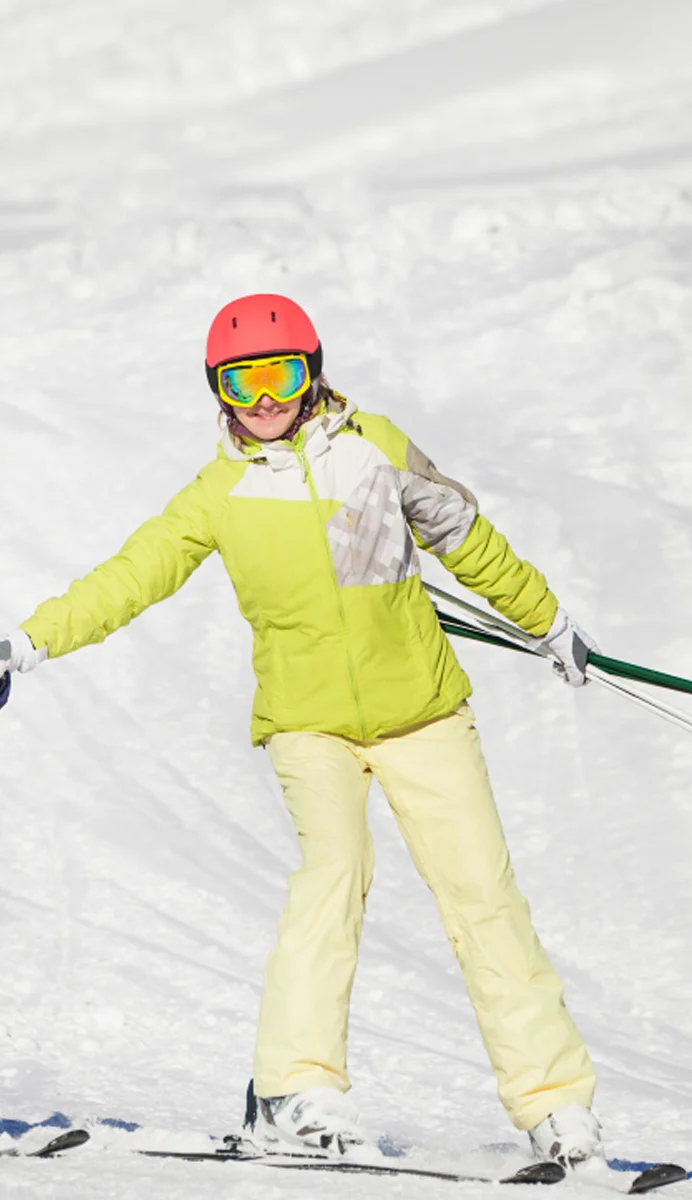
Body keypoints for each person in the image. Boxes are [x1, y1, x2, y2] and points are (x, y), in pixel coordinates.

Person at [0, 294, 603, 1166]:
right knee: (334, 873)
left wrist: (547, 621)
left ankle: (556, 1108)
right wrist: (24, 644)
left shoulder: (378, 449)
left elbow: (467, 538)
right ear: (218, 390)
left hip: (425, 713)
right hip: (308, 726)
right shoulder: (219, 493)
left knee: (485, 897)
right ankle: (293, 1088)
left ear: (312, 369)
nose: (265, 399)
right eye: (242, 381)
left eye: (281, 374)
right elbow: (128, 577)